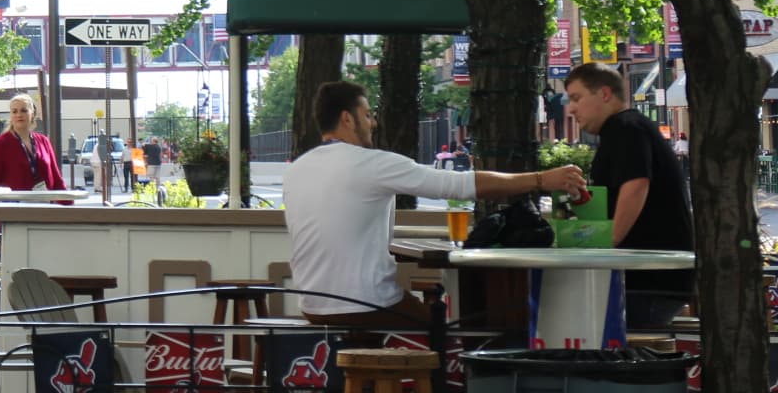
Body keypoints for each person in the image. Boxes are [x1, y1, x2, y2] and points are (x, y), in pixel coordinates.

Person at [285, 81, 584, 326]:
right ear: (347, 118)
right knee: (452, 338)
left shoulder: (296, 169)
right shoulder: (370, 163)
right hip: (364, 303)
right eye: (366, 115)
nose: (373, 122)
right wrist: (541, 180)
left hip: (311, 305)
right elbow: (460, 185)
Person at [564, 63, 695, 326]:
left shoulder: (625, 127)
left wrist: (608, 242)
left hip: (648, 280)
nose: (571, 109)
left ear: (604, 94)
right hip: (651, 278)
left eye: (577, 98)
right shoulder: (626, 128)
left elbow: (636, 184)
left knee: (629, 357)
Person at [0, 94, 64, 224]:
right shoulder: (1, 144)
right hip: (15, 214)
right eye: (14, 111)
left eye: (24, 110)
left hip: (45, 210)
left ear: (33, 113)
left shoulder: (43, 141)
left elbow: (57, 179)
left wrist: (67, 209)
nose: (19, 115)